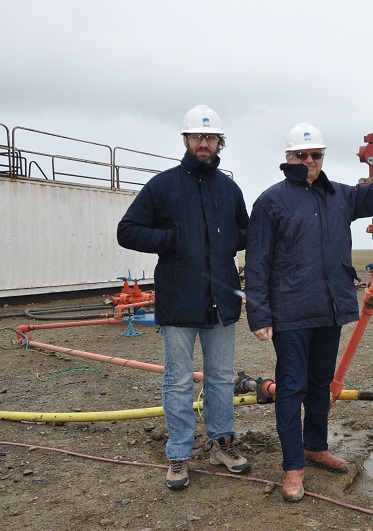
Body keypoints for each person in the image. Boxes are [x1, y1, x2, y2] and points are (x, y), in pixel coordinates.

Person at [245, 122, 373, 502]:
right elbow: (257, 261)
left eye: (316, 154)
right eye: (303, 155)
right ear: (289, 158)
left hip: (329, 310)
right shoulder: (271, 201)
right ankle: (293, 467)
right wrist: (260, 315)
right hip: (290, 314)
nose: (310, 161)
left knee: (320, 385)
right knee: (291, 389)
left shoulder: (339, 197)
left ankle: (315, 446)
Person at [117, 105, 251, 491]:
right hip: (178, 302)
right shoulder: (163, 186)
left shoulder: (229, 188)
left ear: (218, 142)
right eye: (197, 137)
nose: (203, 143)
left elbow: (244, 232)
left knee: (222, 378)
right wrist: (171, 239)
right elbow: (128, 230)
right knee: (177, 382)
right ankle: (178, 453)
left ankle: (221, 441)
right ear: (186, 140)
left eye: (210, 137)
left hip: (221, 301)